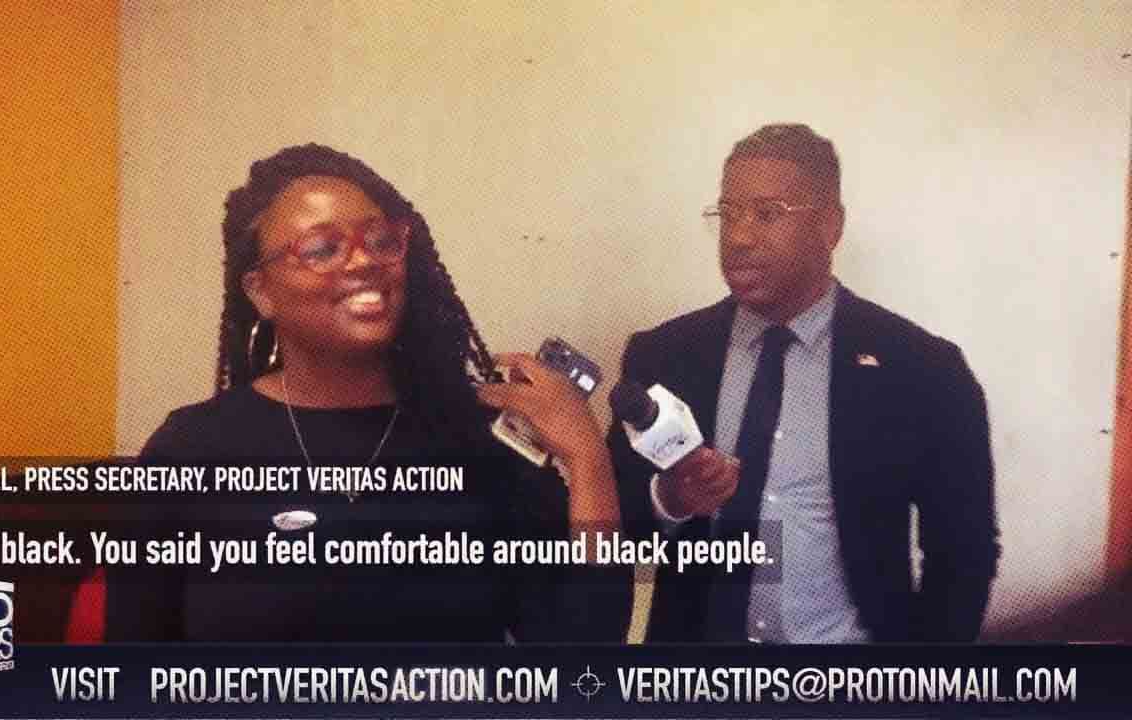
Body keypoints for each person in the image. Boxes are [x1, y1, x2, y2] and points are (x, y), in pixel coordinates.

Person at [106, 143, 628, 642]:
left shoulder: (480, 441)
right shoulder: (191, 448)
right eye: (321, 248)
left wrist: (588, 459)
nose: (363, 261)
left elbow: (585, 652)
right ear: (260, 291)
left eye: (380, 241)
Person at [608, 124, 998, 643]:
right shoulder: (665, 355)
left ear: (830, 226)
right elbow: (610, 529)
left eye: (768, 214)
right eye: (729, 213)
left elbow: (964, 554)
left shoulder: (924, 371)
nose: (739, 238)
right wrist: (669, 498)